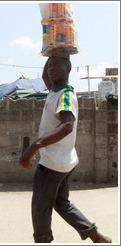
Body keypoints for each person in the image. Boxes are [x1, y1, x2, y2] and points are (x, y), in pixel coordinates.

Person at [19, 54, 112, 244]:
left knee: (40, 209)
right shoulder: (54, 90)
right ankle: (95, 235)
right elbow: (46, 75)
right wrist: (52, 50)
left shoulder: (66, 95)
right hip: (65, 161)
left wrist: (35, 145)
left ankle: (43, 241)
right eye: (50, 66)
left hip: (52, 165)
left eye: (56, 65)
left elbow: (67, 125)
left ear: (68, 69)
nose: (51, 69)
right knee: (62, 203)